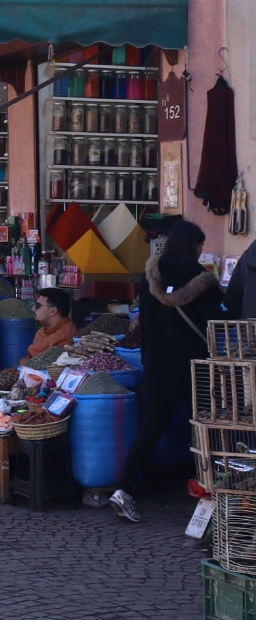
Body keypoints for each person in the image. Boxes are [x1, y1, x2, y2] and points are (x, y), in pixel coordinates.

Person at [111, 218, 226, 523]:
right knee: (203, 430)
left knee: (150, 431)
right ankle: (213, 498)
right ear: (194, 246)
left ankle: (122, 490)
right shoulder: (203, 279)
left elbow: (143, 325)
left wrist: (148, 358)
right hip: (196, 367)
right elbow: (215, 324)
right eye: (200, 246)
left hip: (158, 366)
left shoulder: (150, 277)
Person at [26, 286, 76, 359]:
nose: (33, 309)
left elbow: (34, 353)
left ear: (52, 311)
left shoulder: (66, 336)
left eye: (37, 305)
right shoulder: (43, 330)